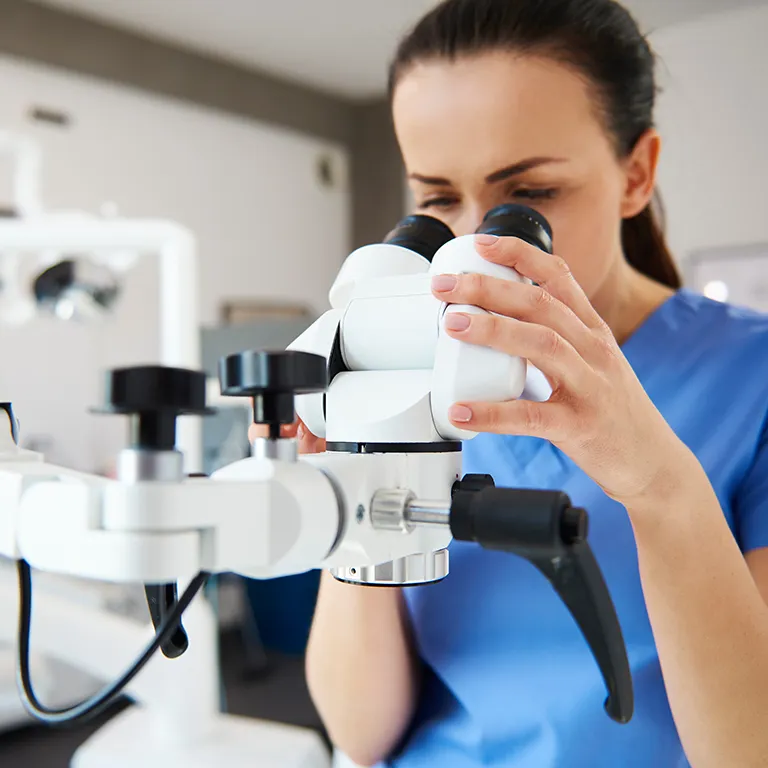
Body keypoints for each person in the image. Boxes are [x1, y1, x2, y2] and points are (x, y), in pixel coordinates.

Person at [298, 1, 768, 766]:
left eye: (531, 197)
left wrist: (660, 483)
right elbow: (360, 731)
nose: (474, 247)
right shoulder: (410, 366)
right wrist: (358, 470)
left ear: (636, 173)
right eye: (438, 202)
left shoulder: (753, 378)